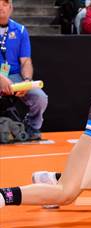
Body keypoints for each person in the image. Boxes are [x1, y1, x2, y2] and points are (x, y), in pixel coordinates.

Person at [0, 0, 48, 140]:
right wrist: (1, 79)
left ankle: (32, 126)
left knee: (40, 97)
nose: (1, 7)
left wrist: (27, 81)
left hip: (14, 75)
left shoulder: (20, 30)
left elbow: (26, 61)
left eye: (5, 3)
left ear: (11, 8)